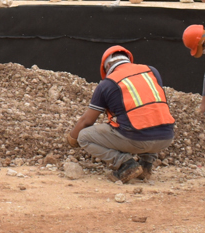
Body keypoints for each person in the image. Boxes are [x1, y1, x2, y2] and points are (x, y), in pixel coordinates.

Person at [67, 45, 176, 183]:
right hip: (166, 136)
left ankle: (126, 164)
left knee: (84, 137)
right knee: (148, 114)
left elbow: (87, 121)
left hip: (137, 139)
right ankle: (146, 165)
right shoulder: (152, 71)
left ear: (107, 67)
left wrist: (72, 138)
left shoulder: (107, 84)